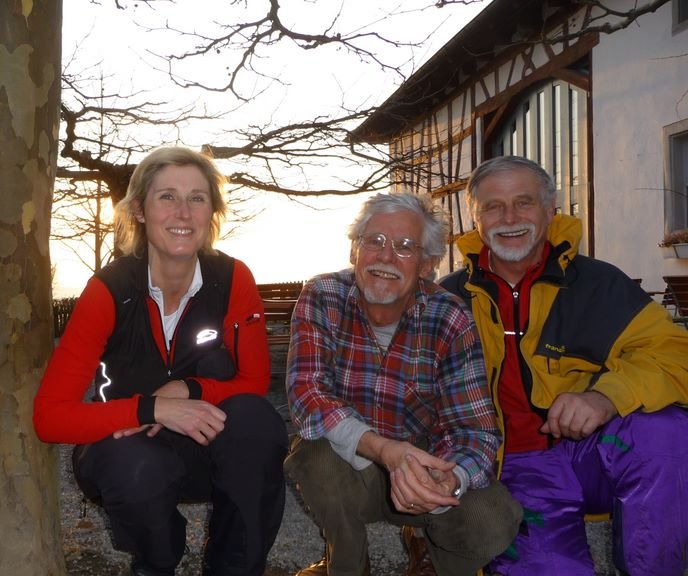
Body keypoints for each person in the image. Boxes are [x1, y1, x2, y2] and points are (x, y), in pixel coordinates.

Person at [33, 146, 288, 576]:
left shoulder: (232, 279)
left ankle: (235, 568)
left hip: (202, 449)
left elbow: (254, 381)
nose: (183, 212)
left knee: (257, 423)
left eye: (197, 198)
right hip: (123, 451)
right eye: (167, 196)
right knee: (135, 468)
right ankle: (155, 561)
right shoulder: (108, 291)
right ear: (139, 210)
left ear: (212, 211)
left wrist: (188, 389)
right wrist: (153, 408)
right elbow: (50, 418)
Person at [439, 155, 688, 575]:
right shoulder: (447, 301)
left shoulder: (598, 284)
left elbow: (675, 354)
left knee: (668, 432)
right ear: (474, 219)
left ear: (551, 210)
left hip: (596, 452)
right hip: (513, 470)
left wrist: (606, 397)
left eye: (524, 202)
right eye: (493, 207)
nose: (510, 218)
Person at [284, 192, 521, 576]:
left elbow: (476, 429)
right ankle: (346, 564)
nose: (386, 257)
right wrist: (385, 450)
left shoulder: (450, 315)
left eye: (405, 246)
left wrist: (451, 478)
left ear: (427, 265)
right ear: (354, 250)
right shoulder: (323, 295)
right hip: (353, 464)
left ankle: (433, 559)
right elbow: (306, 394)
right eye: (374, 241)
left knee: (492, 519)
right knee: (314, 458)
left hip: (424, 464)